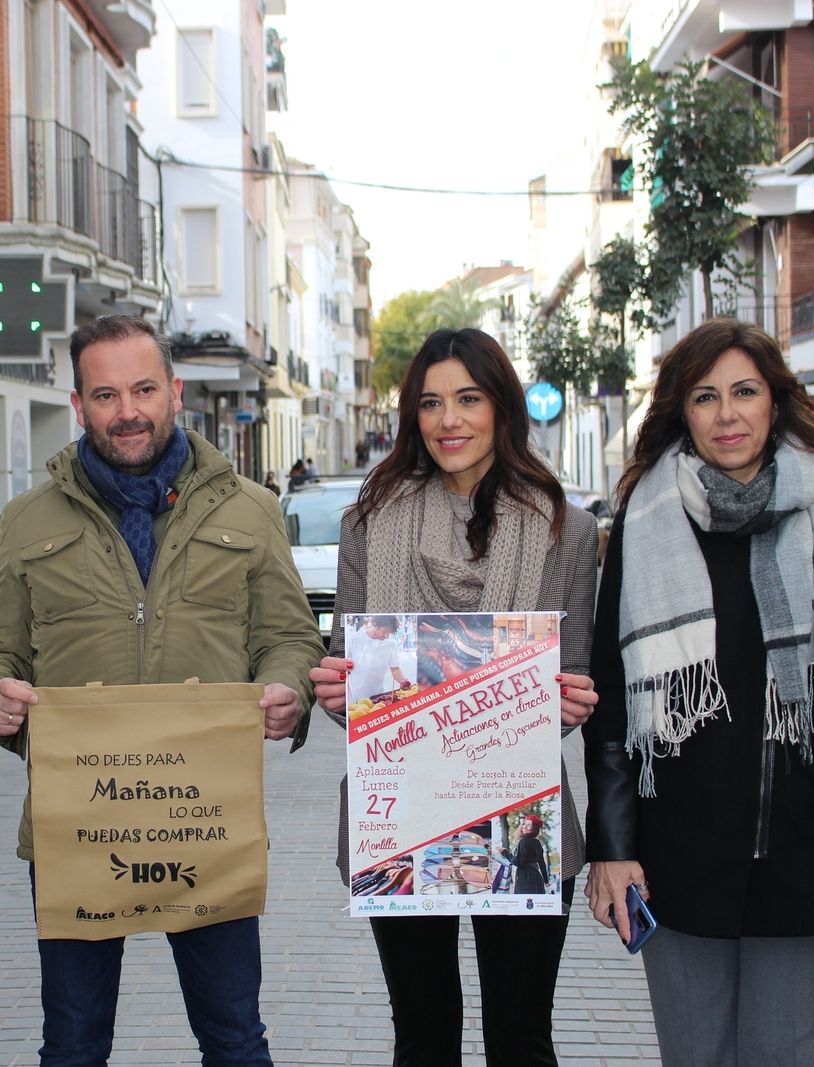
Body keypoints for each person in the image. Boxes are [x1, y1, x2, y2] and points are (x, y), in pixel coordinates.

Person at [0, 313, 322, 1066]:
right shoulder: (28, 519)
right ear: (78, 403)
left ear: (175, 391)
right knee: (73, 1043)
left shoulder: (250, 510)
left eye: (144, 388)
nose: (127, 409)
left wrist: (288, 688)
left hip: (206, 823)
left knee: (233, 1038)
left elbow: (288, 637)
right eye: (105, 393)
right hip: (76, 828)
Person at [583, 318, 814, 1067]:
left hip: (801, 857)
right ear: (680, 412)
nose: (727, 413)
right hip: (679, 858)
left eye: (744, 392)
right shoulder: (645, 522)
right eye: (705, 396)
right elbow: (616, 705)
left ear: (774, 403)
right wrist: (615, 848)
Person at [309, 327, 599, 1067]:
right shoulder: (369, 525)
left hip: (521, 817)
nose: (449, 421)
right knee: (424, 1037)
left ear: (502, 407)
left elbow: (574, 669)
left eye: (468, 398)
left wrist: (569, 700)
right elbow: (350, 670)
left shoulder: (568, 531)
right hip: (402, 818)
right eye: (431, 403)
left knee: (522, 1040)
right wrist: (339, 690)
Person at [512, 815, 549, 895]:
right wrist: (546, 880)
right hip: (536, 877)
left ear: (534, 828)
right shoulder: (537, 843)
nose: (524, 827)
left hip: (525, 878)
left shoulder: (523, 842)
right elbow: (542, 864)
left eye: (529, 825)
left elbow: (517, 862)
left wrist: (505, 853)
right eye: (524, 824)